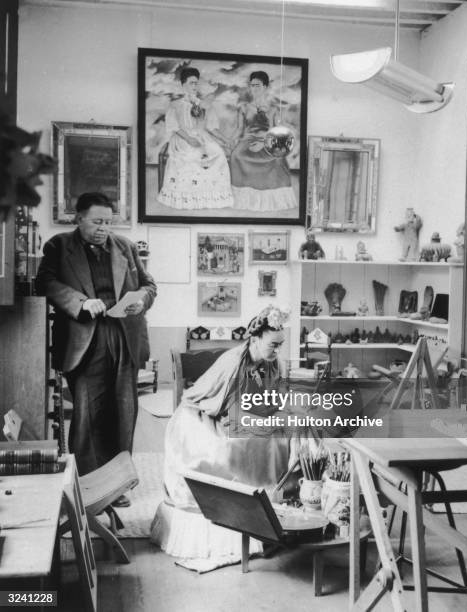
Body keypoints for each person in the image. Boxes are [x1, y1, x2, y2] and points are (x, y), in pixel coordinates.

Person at [35, 192, 157, 505]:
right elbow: (45, 283)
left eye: (108, 222)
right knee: (88, 416)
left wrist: (141, 300)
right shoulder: (59, 246)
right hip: (84, 339)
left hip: (124, 337)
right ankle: (87, 489)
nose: (104, 228)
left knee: (124, 412)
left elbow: (148, 285)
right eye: (97, 221)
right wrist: (81, 302)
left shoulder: (125, 247)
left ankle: (118, 488)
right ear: (79, 219)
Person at [151, 305, 291, 564]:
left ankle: (271, 502)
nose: (278, 350)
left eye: (281, 344)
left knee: (283, 436)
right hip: (205, 416)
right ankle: (243, 503)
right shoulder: (233, 364)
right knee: (235, 446)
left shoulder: (273, 362)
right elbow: (225, 413)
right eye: (273, 344)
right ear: (255, 339)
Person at [157, 67, 234, 210]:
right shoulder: (176, 105)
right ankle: (188, 198)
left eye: (196, 83)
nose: (194, 86)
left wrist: (225, 140)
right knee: (192, 156)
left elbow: (211, 127)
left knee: (217, 152)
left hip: (201, 137)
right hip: (182, 138)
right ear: (183, 84)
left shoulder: (202, 104)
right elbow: (174, 127)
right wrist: (189, 139)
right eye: (191, 83)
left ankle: (210, 196)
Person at [230, 70, 297, 212]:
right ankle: (243, 200)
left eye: (258, 85)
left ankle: (272, 200)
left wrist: (263, 143)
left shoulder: (273, 109)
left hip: (267, 139)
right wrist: (230, 141)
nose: (254, 88)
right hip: (247, 140)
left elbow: (276, 131)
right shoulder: (243, 107)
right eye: (252, 85)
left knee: (278, 159)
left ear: (265, 87)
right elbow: (239, 129)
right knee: (236, 155)